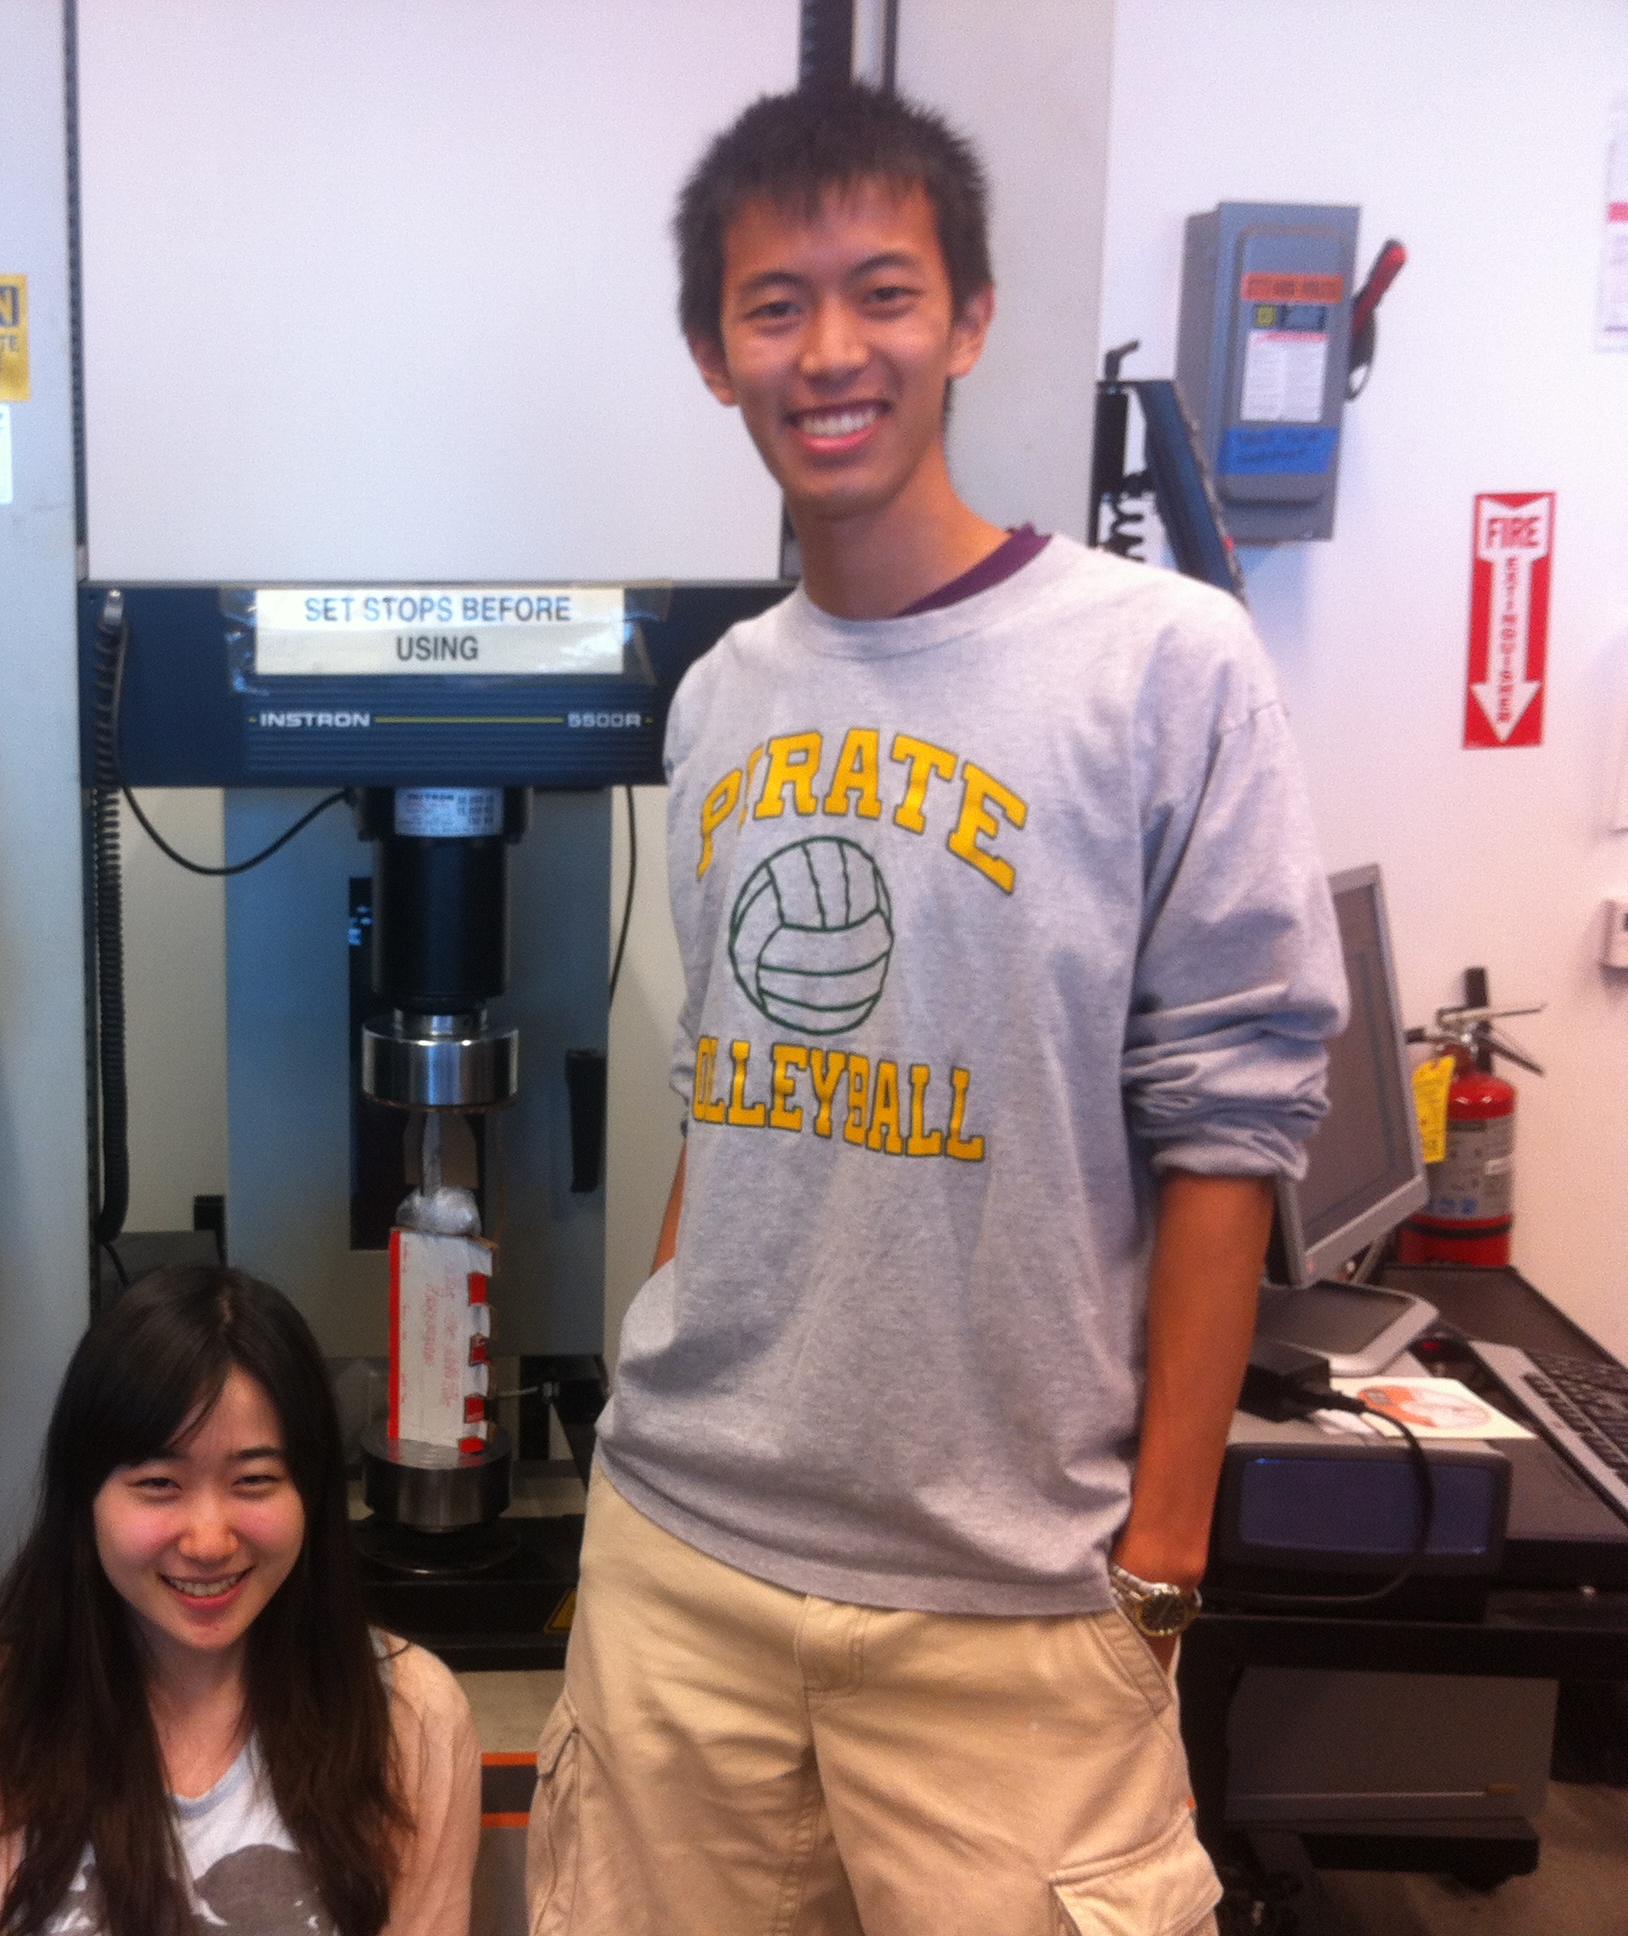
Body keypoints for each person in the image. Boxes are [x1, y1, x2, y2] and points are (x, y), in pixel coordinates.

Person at [528, 82, 1346, 1936]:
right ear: (712, 354)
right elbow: (727, 1089)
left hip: (1011, 1617)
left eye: (882, 292)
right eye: (774, 306)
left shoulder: (1162, 667)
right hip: (685, 1572)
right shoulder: (720, 698)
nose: (830, 351)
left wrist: (1161, 1561)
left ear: (968, 317)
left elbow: (1230, 1131)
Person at [0, 1265, 480, 1936]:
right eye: (160, 1483)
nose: (209, 1541)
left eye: (254, 1480)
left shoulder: (412, 1718)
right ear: (85, 1497)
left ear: (311, 1495)